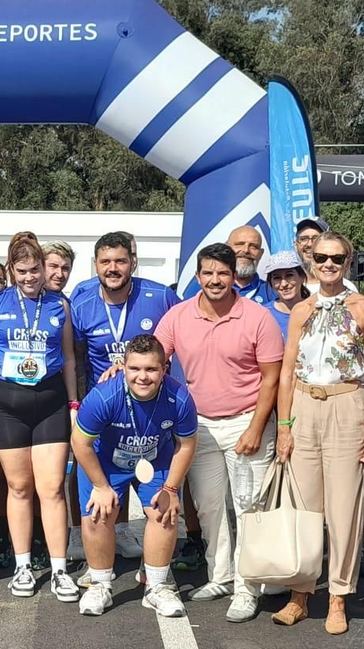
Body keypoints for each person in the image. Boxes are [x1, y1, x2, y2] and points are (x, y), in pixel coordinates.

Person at [157, 243, 283, 623]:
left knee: (249, 509)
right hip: (201, 427)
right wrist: (121, 369)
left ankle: (248, 588)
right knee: (210, 507)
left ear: (235, 277)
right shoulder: (178, 315)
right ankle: (221, 575)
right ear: (198, 276)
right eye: (208, 273)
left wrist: (257, 427)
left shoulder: (257, 317)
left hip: (247, 423)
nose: (215, 280)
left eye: (223, 273)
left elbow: (272, 379)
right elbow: (154, 356)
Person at [274, 231, 364, 631]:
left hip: (346, 403)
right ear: (311, 262)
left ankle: (338, 596)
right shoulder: (301, 309)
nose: (329, 265)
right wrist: (284, 425)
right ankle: (300, 593)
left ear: (349, 262)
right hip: (304, 403)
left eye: (337, 258)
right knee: (303, 506)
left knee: (344, 507)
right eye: (321, 258)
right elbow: (286, 370)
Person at [70, 231, 181, 564]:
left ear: (133, 261)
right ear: (95, 265)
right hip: (105, 410)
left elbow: (179, 342)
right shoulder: (82, 300)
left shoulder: (160, 296)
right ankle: (97, 543)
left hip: (152, 406)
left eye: (120, 260)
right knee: (101, 475)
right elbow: (76, 357)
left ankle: (134, 543)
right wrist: (76, 403)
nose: (113, 268)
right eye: (105, 262)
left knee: (153, 479)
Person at [71, 334, 197, 617]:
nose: (143, 377)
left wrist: (172, 489)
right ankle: (100, 584)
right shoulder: (104, 396)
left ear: (164, 369)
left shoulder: (179, 397)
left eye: (151, 369)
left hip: (155, 457)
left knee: (164, 511)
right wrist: (101, 486)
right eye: (135, 369)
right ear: (123, 367)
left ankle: (156, 586)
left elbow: (186, 444)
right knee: (99, 512)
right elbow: (80, 443)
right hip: (106, 461)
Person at [0, 232, 80, 600]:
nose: (29, 277)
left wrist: (73, 405)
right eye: (21, 271)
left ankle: (59, 569)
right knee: (19, 488)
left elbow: (69, 358)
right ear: (11, 270)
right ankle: (22, 566)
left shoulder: (59, 305)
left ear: (45, 267)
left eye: (35, 269)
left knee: (52, 488)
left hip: (49, 401)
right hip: (6, 402)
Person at [259, 250, 308, 342]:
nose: (284, 283)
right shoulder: (263, 314)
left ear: (301, 277)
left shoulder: (315, 310)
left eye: (289, 275)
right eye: (277, 278)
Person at [228, 225, 276, 304]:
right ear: (227, 248)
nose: (246, 250)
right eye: (239, 244)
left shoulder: (273, 292)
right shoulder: (213, 289)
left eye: (254, 246)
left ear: (261, 254)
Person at [295, 218, 328, 288]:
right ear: (296, 244)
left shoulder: (342, 287)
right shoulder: (286, 289)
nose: (310, 244)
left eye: (316, 238)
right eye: (304, 239)